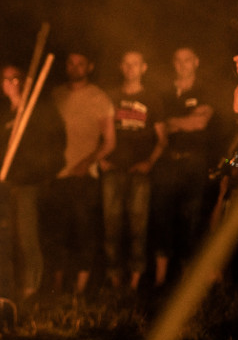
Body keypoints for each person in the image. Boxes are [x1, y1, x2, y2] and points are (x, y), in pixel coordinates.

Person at [0, 64, 66, 300]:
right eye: (5, 79)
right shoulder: (3, 114)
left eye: (15, 78)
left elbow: (56, 140)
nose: (10, 83)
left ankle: (32, 286)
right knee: (9, 236)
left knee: (28, 236)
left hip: (30, 182)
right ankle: (12, 285)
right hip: (7, 183)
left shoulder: (37, 108)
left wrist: (43, 171)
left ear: (23, 81)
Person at [47, 51, 115, 296]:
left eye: (81, 64)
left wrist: (87, 163)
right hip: (57, 175)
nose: (75, 68)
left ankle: (80, 288)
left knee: (83, 233)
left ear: (90, 66)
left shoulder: (98, 97)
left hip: (85, 176)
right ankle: (56, 287)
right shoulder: (56, 95)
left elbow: (109, 142)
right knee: (57, 233)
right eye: (71, 63)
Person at [99, 51, 166, 292]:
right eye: (126, 64)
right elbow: (100, 132)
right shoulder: (111, 97)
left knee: (138, 227)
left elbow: (162, 138)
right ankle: (115, 279)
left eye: (135, 64)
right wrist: (102, 159)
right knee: (111, 227)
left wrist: (150, 162)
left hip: (139, 172)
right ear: (121, 66)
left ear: (143, 67)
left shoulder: (152, 98)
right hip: (113, 169)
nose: (130, 68)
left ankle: (135, 282)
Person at [150, 47, 217, 287]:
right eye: (177, 60)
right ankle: (160, 280)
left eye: (187, 59)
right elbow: (159, 126)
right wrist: (182, 121)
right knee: (162, 217)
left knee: (193, 220)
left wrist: (174, 121)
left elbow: (200, 122)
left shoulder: (205, 89)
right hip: (167, 161)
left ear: (196, 62)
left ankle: (188, 279)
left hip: (195, 161)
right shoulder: (164, 92)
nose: (182, 64)